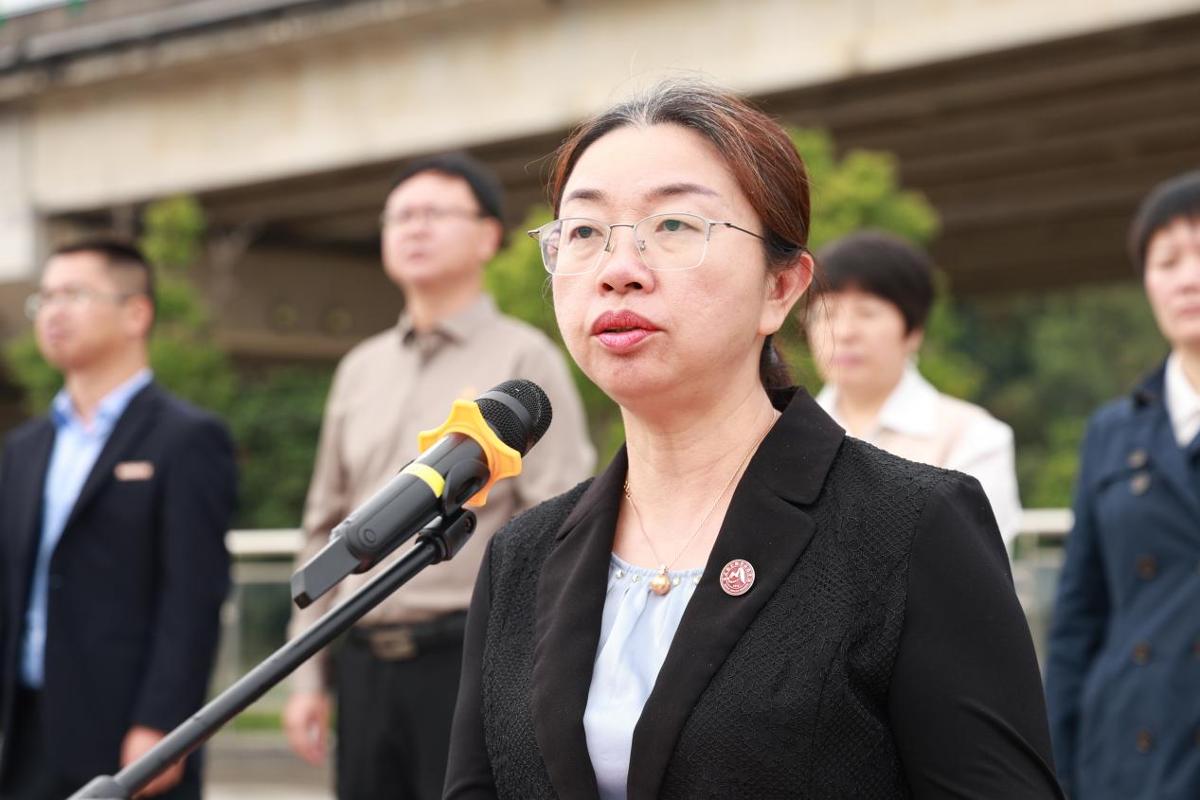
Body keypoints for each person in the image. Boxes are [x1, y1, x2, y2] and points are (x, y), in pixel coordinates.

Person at [444, 82, 1063, 799]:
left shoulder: (912, 527)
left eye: (674, 225)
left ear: (781, 287)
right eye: (583, 232)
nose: (618, 271)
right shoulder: (521, 557)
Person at [282, 152, 595, 800]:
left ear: (487, 236)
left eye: (434, 213)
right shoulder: (360, 368)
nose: (414, 227)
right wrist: (307, 674)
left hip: (469, 662)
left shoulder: (525, 358)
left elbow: (561, 524)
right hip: (361, 659)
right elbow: (322, 523)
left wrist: (532, 676)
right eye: (399, 216)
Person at [0, 238, 237, 800]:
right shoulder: (24, 447)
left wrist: (164, 725)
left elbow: (193, 595)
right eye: (45, 297)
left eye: (74, 294)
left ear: (136, 313)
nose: (53, 311)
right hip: (25, 730)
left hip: (128, 734)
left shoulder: (186, 438)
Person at [1045, 170, 1200, 800]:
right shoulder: (1113, 431)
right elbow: (1079, 617)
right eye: (1167, 261)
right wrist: (1055, 768)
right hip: (1128, 751)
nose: (1188, 278)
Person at [804, 230, 1023, 549]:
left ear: (914, 331)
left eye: (867, 313)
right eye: (827, 313)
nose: (844, 332)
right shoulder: (781, 434)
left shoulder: (974, 437)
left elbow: (967, 562)